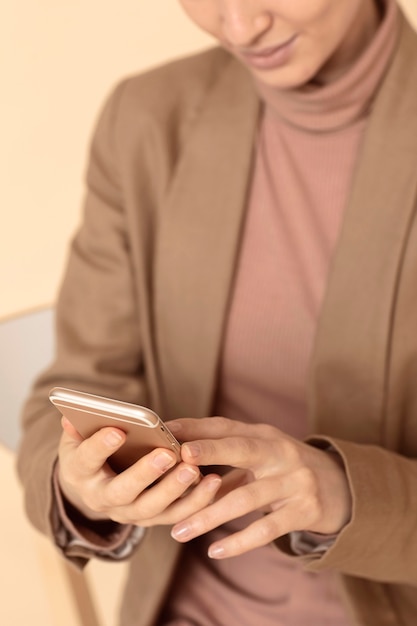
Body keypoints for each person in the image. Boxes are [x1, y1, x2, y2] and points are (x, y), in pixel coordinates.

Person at [17, 0, 417, 624]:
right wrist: (80, 482)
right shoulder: (148, 119)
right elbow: (75, 390)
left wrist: (343, 492)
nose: (238, 25)